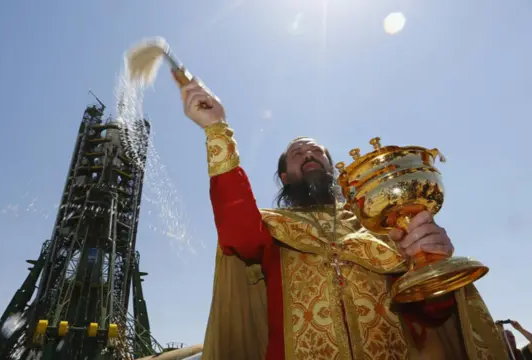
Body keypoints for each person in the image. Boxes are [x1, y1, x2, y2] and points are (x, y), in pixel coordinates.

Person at [179, 79, 509, 360]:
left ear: (336, 173)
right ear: (283, 176)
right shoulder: (272, 226)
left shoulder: (380, 225)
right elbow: (239, 234)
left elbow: (431, 316)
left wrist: (429, 262)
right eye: (297, 154)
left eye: (317, 152)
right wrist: (216, 129)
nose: (308, 154)